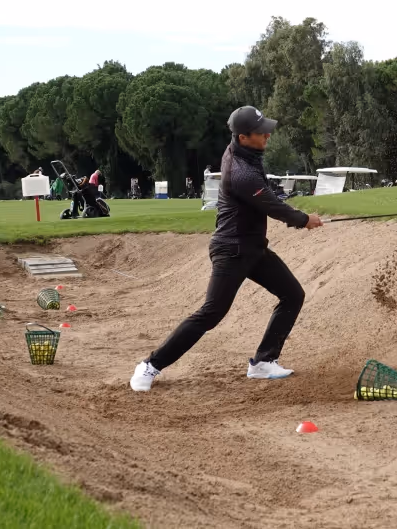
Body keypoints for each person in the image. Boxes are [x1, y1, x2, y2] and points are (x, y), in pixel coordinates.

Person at [130, 105, 323, 392]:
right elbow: (272, 206)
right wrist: (304, 220)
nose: (267, 136)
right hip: (232, 250)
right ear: (243, 137)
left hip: (253, 248)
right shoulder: (241, 172)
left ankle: (263, 362)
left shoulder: (244, 152)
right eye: (261, 133)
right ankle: (150, 365)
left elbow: (267, 196)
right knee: (212, 313)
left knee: (292, 294)